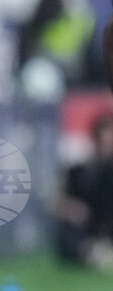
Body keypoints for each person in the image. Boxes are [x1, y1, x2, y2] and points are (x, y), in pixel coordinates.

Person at [55, 114, 113, 270]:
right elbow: (58, 202)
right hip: (88, 228)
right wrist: (70, 208)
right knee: (66, 233)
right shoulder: (80, 171)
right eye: (105, 141)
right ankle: (94, 253)